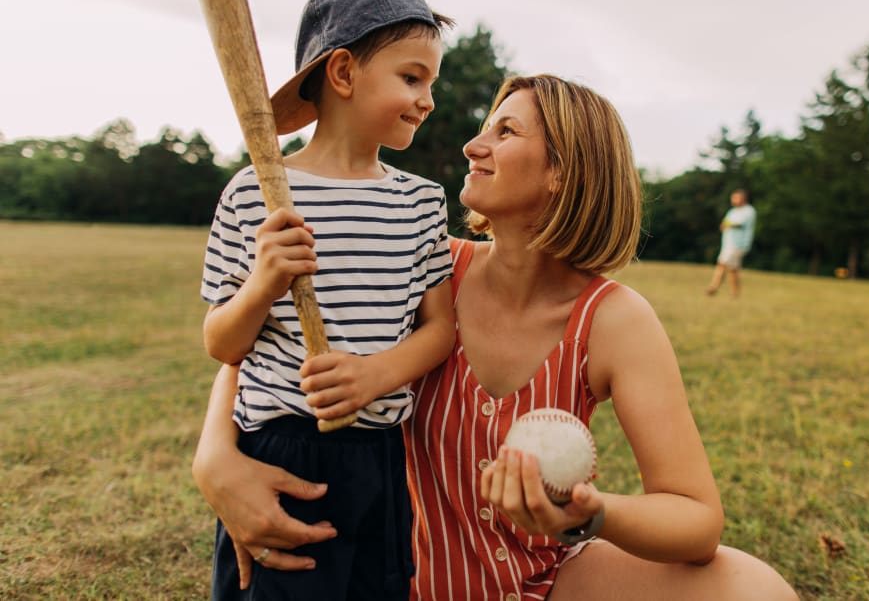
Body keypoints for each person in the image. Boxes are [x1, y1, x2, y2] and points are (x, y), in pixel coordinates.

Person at [194, 75, 799, 600]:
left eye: (505, 133)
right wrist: (214, 459)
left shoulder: (614, 319)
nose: (471, 145)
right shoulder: (424, 265)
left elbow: (696, 521)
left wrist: (592, 515)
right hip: (387, 575)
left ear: (564, 170)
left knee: (757, 590)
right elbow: (273, 348)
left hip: (539, 583)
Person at [198, 0, 457, 600]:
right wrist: (263, 282)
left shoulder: (420, 202)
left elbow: (442, 328)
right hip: (281, 453)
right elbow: (222, 343)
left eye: (431, 83)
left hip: (379, 455)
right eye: (412, 77)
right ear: (342, 73)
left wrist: (376, 375)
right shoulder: (253, 193)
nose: (427, 100)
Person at [706, 189, 757, 298]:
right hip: (728, 244)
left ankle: (713, 287)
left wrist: (728, 224)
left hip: (739, 244)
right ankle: (735, 293)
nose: (733, 200)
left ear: (743, 198)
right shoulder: (732, 211)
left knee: (722, 263)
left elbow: (737, 224)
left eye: (735, 198)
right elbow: (724, 225)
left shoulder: (749, 211)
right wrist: (725, 225)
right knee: (733, 270)